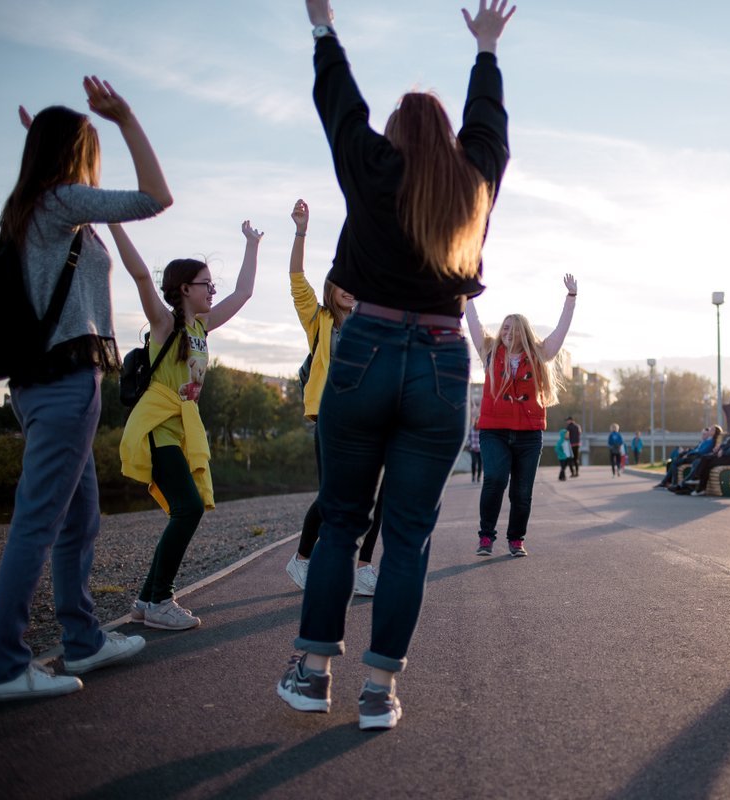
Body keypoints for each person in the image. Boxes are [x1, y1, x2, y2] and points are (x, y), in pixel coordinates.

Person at [277, 0, 514, 729]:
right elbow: (488, 130)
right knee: (406, 533)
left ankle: (313, 673)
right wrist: (485, 50)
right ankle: (379, 692)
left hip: (365, 350)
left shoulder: (372, 166)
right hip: (442, 365)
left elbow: (339, 106)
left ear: (392, 136)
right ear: (448, 140)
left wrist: (323, 28)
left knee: (343, 522)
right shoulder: (473, 182)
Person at [0, 78, 171, 702]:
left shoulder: (35, 207)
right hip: (65, 385)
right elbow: (154, 197)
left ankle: (83, 639)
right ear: (72, 158)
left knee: (79, 519)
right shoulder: (60, 202)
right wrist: (124, 117)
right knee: (38, 523)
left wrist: (45, 141)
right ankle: (4, 667)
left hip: (46, 388)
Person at [114, 216, 263, 630]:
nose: (213, 291)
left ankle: (146, 600)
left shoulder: (202, 326)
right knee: (188, 508)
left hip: (180, 432)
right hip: (158, 428)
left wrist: (252, 243)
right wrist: (114, 221)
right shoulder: (167, 324)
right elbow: (142, 274)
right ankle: (160, 599)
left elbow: (245, 292)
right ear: (184, 289)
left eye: (213, 285)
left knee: (186, 509)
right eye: (206, 285)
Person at [282, 199, 382, 598]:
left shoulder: (371, 323)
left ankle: (362, 568)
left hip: (371, 419)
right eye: (342, 282)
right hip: (331, 417)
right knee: (334, 496)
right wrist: (301, 231)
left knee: (376, 498)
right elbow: (295, 277)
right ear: (331, 288)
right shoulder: (319, 321)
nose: (349, 289)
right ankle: (302, 559)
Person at [467, 274, 576, 557]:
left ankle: (516, 539)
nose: (506, 333)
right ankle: (486, 537)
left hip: (529, 434)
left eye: (512, 329)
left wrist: (571, 299)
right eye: (504, 328)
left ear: (523, 332)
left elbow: (560, 332)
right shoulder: (489, 351)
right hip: (494, 430)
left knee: (522, 491)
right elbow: (474, 325)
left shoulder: (540, 354)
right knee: (494, 478)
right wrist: (467, 295)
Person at [673, 415, 730, 495]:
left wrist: (723, 452)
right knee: (705, 459)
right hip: (726, 456)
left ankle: (698, 484)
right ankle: (698, 487)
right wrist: (722, 449)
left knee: (706, 461)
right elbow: (729, 445)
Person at [655, 426, 721, 489]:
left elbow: (701, 451)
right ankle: (668, 482)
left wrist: (689, 454)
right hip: (694, 456)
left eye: (711, 430)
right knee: (675, 459)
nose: (709, 431)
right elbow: (697, 449)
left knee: (675, 462)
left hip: (696, 457)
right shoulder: (706, 441)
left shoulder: (711, 441)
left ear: (715, 433)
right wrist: (688, 452)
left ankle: (672, 483)